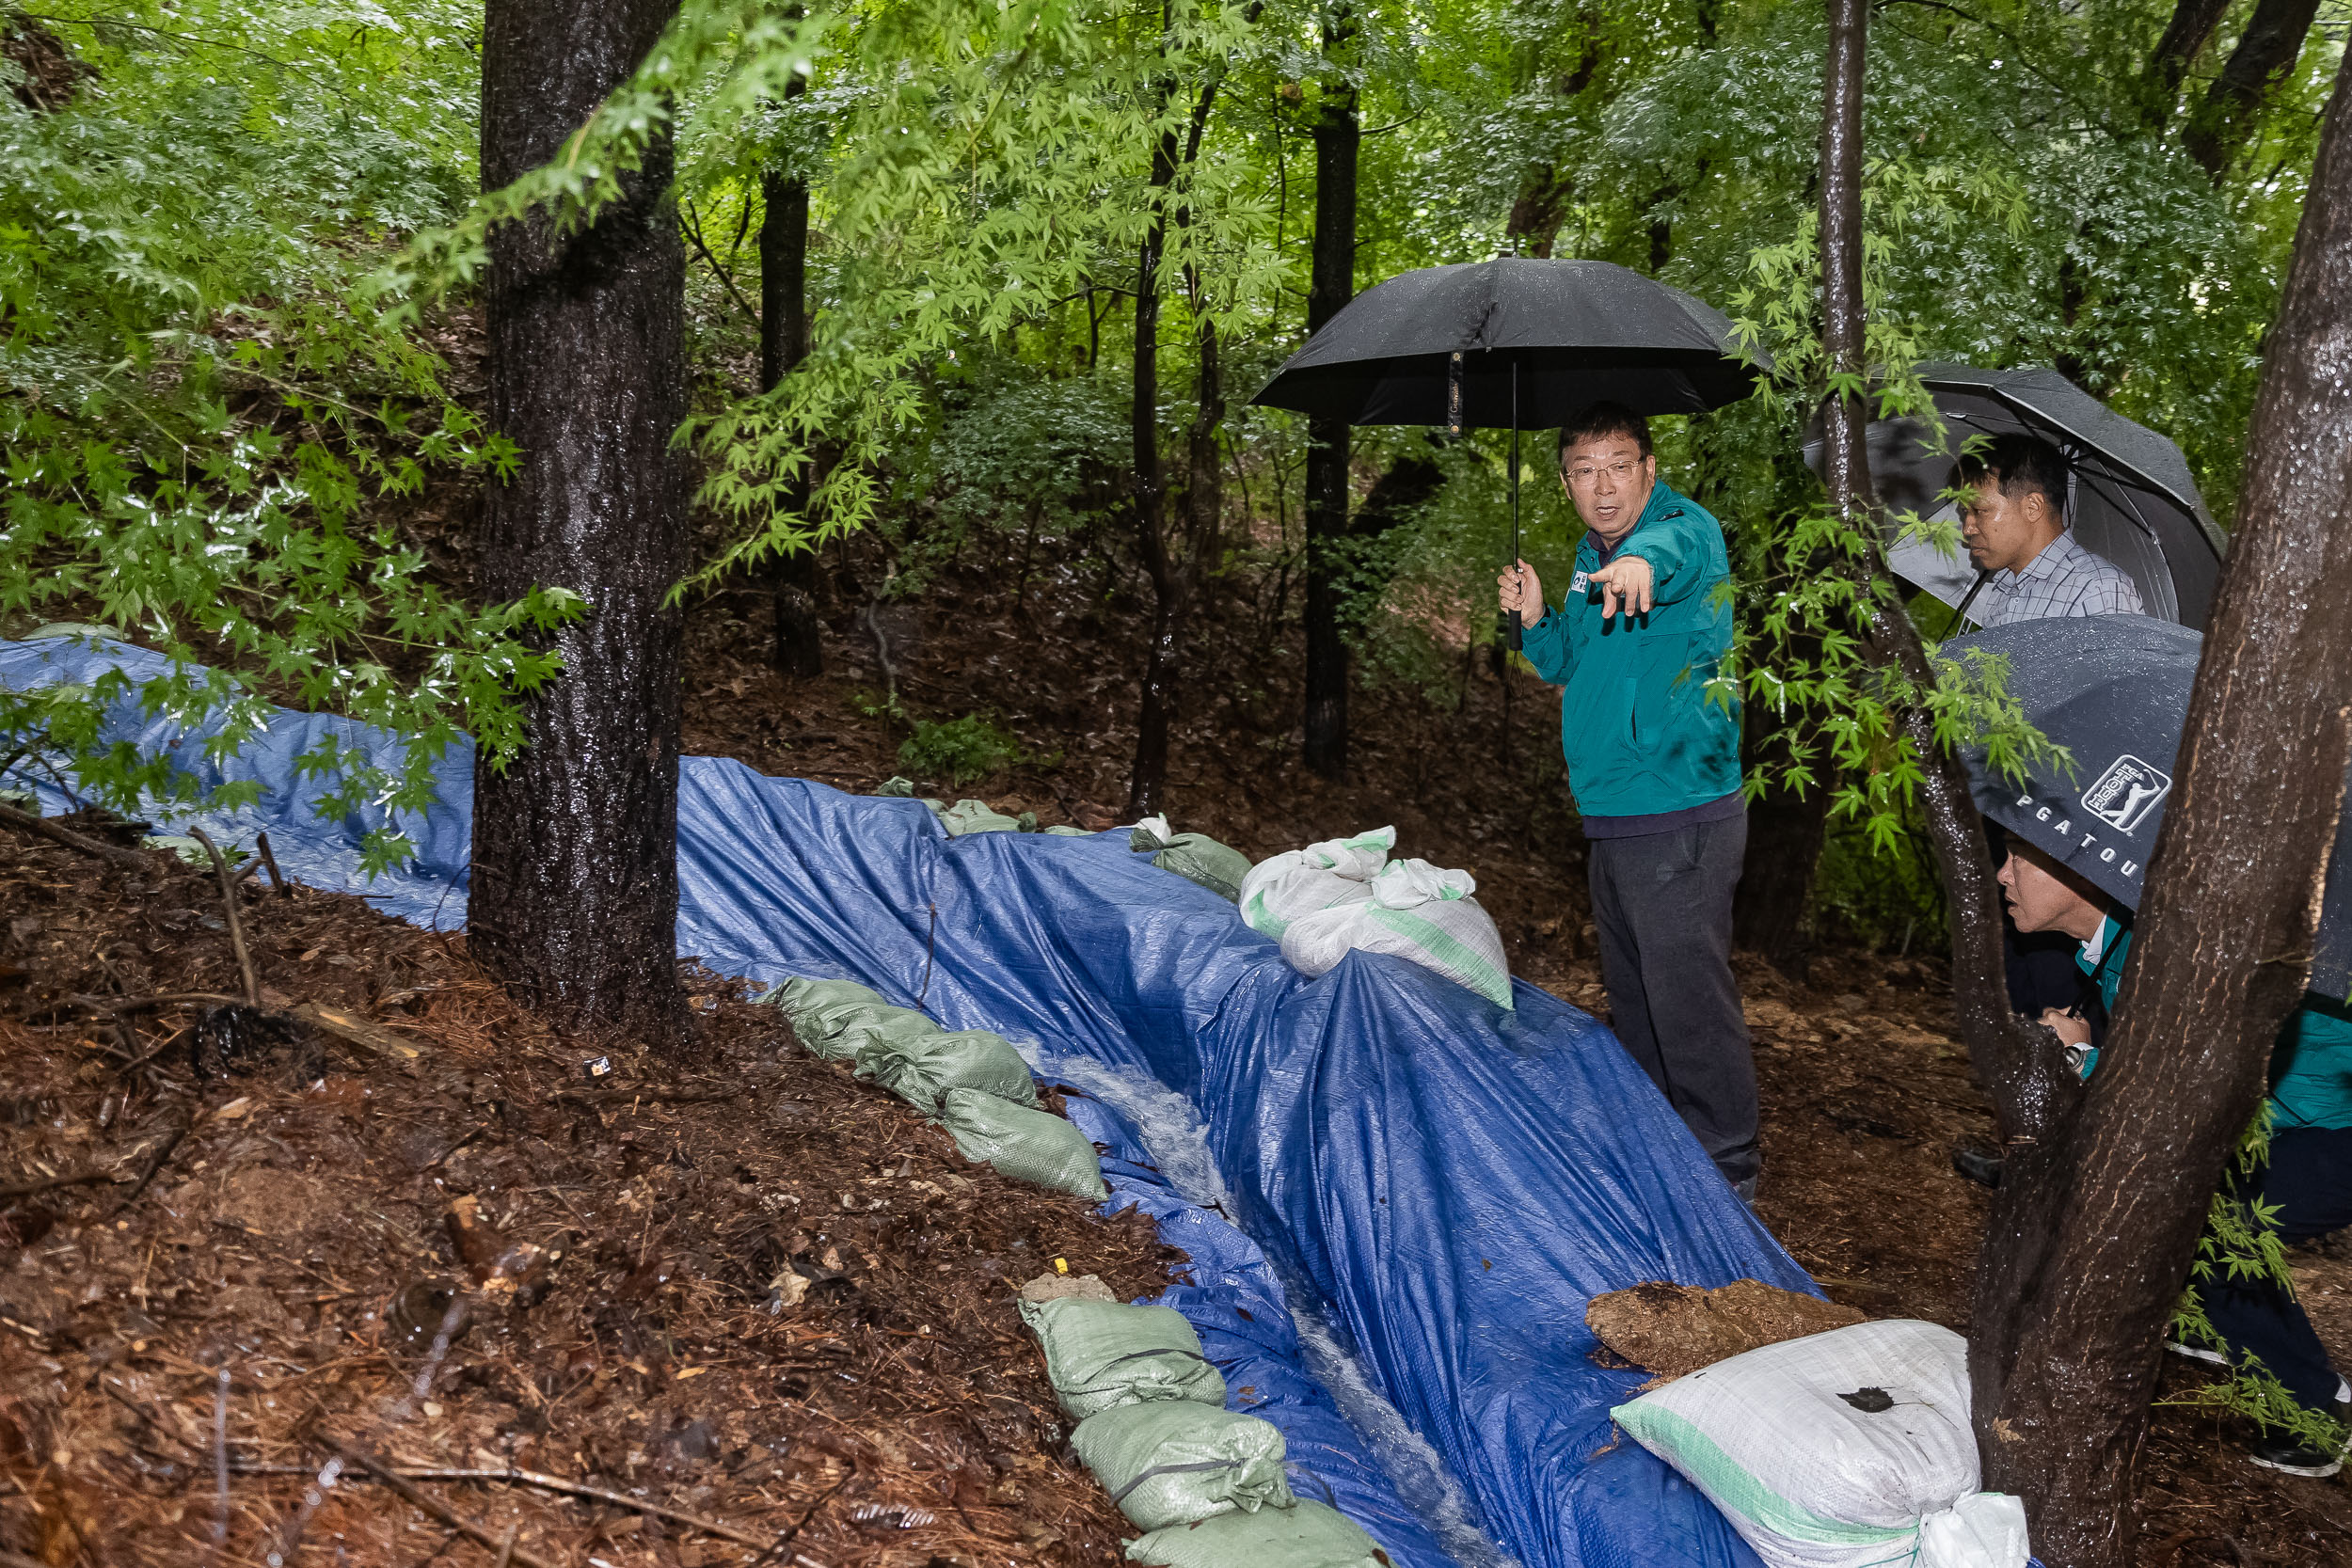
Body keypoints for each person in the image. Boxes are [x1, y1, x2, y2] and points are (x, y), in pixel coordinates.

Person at [1997, 839, 2352, 1478]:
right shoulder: (2117, 950)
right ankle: (2206, 1314)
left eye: (2018, 860)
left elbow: (2187, 1098)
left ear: (2077, 873)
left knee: (2215, 1223)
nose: (2002, 875)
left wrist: (2081, 1056)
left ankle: (2313, 1410)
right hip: (2281, 1121)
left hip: (2335, 1125)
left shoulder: (2162, 947)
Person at [1496, 402, 1756, 1201]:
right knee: (1639, 1000)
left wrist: (1642, 563)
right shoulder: (1586, 556)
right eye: (1584, 470)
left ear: (1649, 468)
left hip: (1680, 806)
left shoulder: (1686, 530)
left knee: (1688, 1004)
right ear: (1567, 481)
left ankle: (1729, 1174)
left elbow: (1666, 556)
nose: (1603, 487)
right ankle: (1657, 1158)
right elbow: (1571, 662)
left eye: (1618, 466)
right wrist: (1537, 619)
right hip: (1614, 812)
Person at [1956, 434, 2143, 627]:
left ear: (2032, 507)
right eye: (1965, 512)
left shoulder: (2098, 589)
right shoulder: (2003, 592)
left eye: (1980, 510)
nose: (1967, 529)